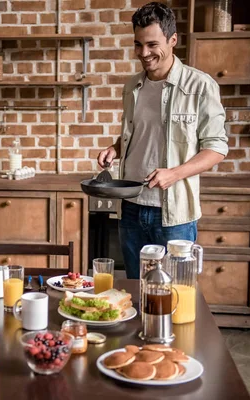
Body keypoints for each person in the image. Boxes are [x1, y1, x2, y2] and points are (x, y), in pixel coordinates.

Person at [97, 2, 228, 279]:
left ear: (172, 40)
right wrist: (115, 148)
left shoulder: (200, 86)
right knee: (136, 290)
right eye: (138, 44)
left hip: (174, 215)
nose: (144, 53)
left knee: (175, 295)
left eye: (152, 44)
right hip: (131, 207)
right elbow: (140, 132)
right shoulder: (132, 86)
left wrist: (174, 174)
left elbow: (216, 148)